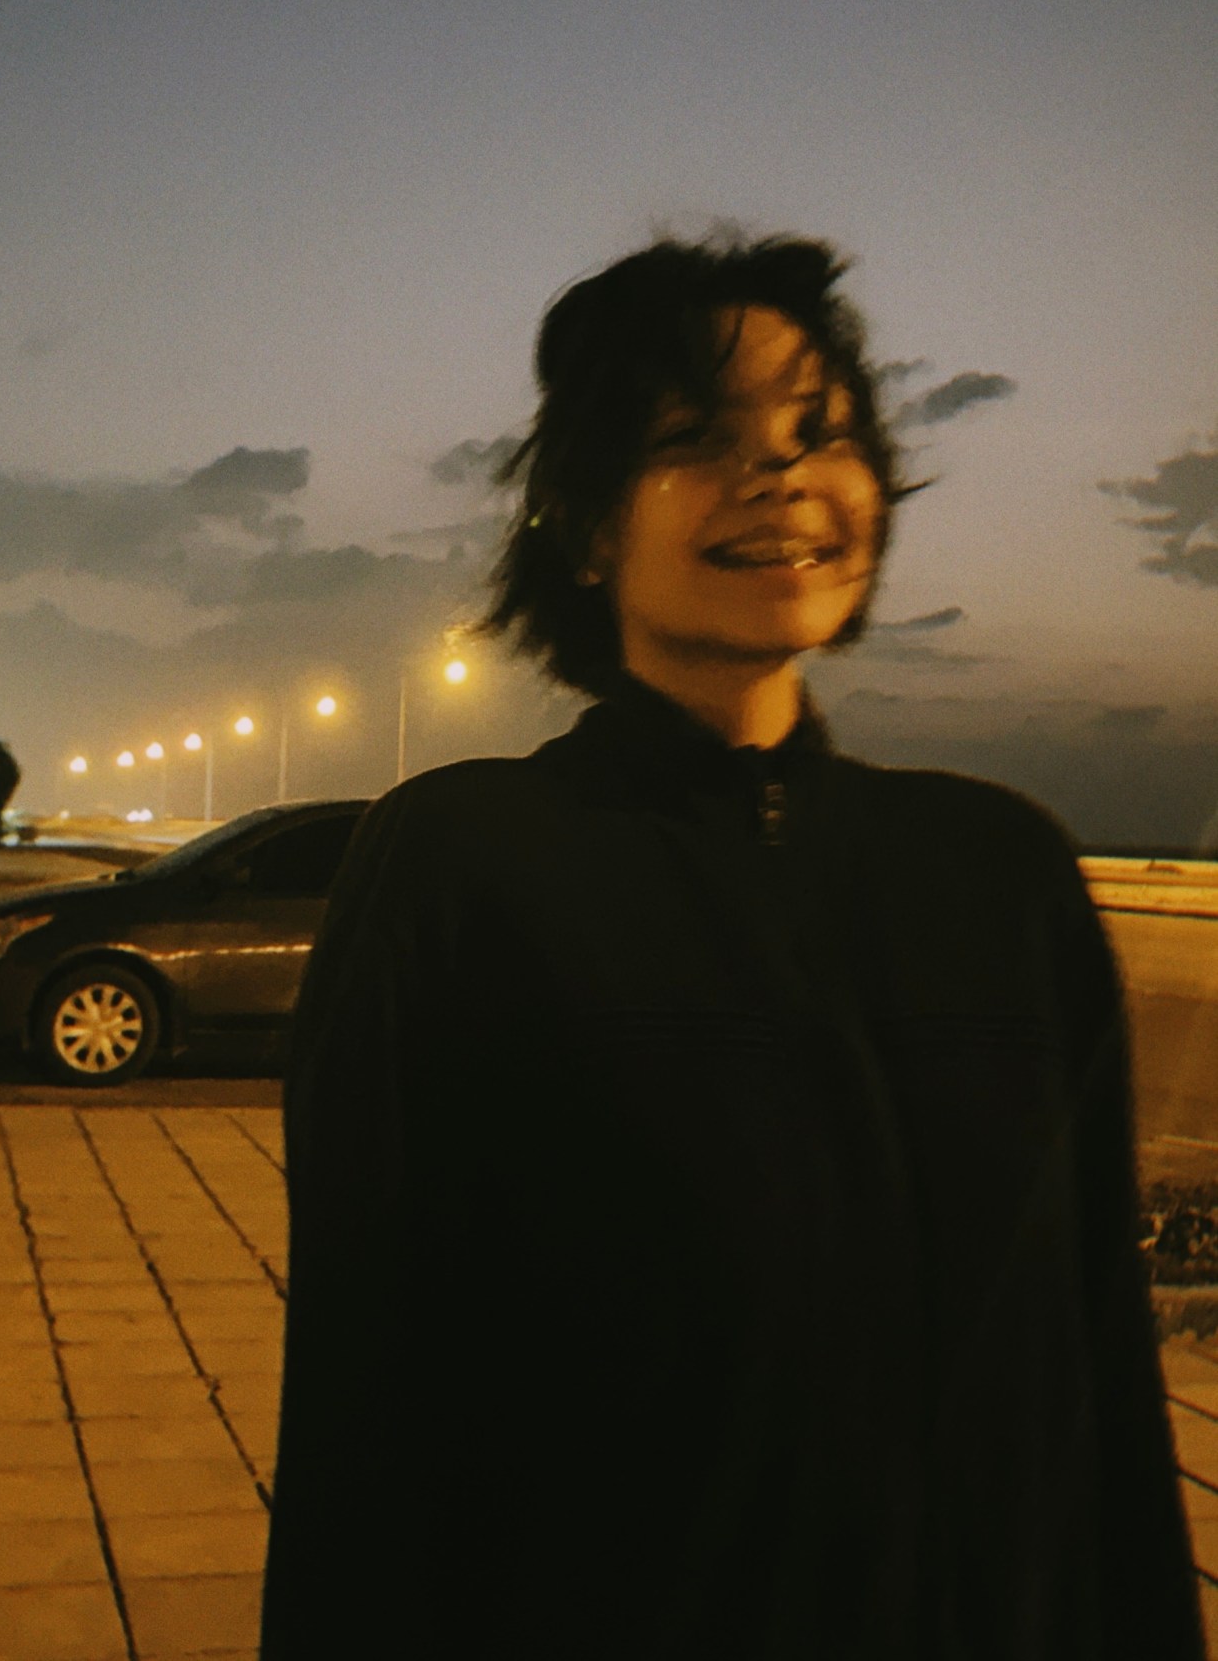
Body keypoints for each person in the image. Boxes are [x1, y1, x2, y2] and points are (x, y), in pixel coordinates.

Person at [261, 233, 1203, 1659]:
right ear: (582, 530)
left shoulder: (997, 873)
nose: (777, 475)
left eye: (819, 433)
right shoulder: (459, 873)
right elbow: (365, 1425)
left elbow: (1101, 1394)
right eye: (693, 440)